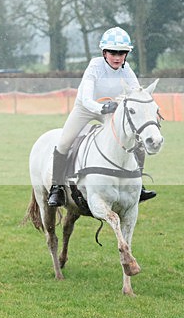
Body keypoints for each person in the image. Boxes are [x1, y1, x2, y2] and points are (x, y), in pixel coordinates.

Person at [47, 26, 156, 207]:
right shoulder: (94, 66)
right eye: (113, 52)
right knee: (64, 143)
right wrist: (102, 107)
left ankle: (138, 185)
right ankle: (56, 187)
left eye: (122, 53)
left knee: (137, 143)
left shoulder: (127, 70)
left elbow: (137, 94)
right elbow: (87, 99)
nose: (117, 57)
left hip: (111, 110)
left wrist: (149, 107)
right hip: (86, 108)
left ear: (126, 55)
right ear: (104, 53)